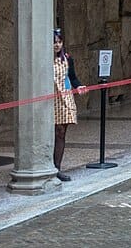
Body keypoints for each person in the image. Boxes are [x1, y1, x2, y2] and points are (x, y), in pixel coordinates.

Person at [52, 29, 83, 181]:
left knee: (61, 132)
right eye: (54, 42)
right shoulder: (45, 60)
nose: (57, 45)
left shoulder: (67, 59)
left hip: (64, 97)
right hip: (51, 99)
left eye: (59, 42)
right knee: (51, 133)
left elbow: (72, 77)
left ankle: (57, 167)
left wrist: (79, 86)